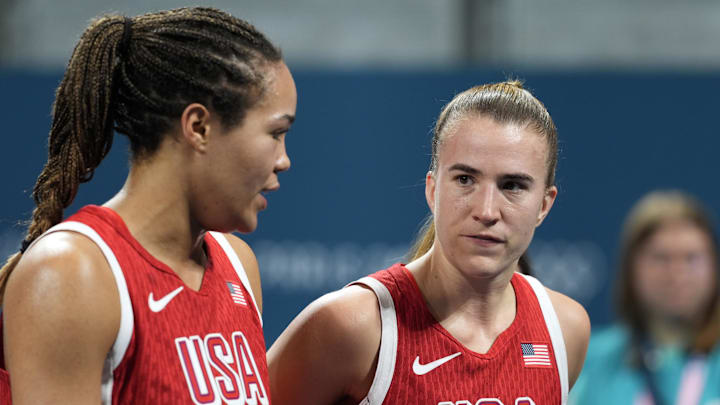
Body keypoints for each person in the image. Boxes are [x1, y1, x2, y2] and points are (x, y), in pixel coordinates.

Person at [0, 7, 296, 404]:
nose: (284, 160)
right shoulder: (72, 273)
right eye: (275, 133)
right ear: (199, 127)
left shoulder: (238, 265)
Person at [267, 81, 590, 405]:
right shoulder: (353, 326)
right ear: (433, 189)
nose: (487, 211)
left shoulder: (564, 330)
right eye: (465, 179)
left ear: (544, 205)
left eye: (512, 185)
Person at [570, 191, 720, 405]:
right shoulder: (588, 358)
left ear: (713, 266)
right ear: (631, 269)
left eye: (691, 258)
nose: (677, 274)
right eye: (661, 258)